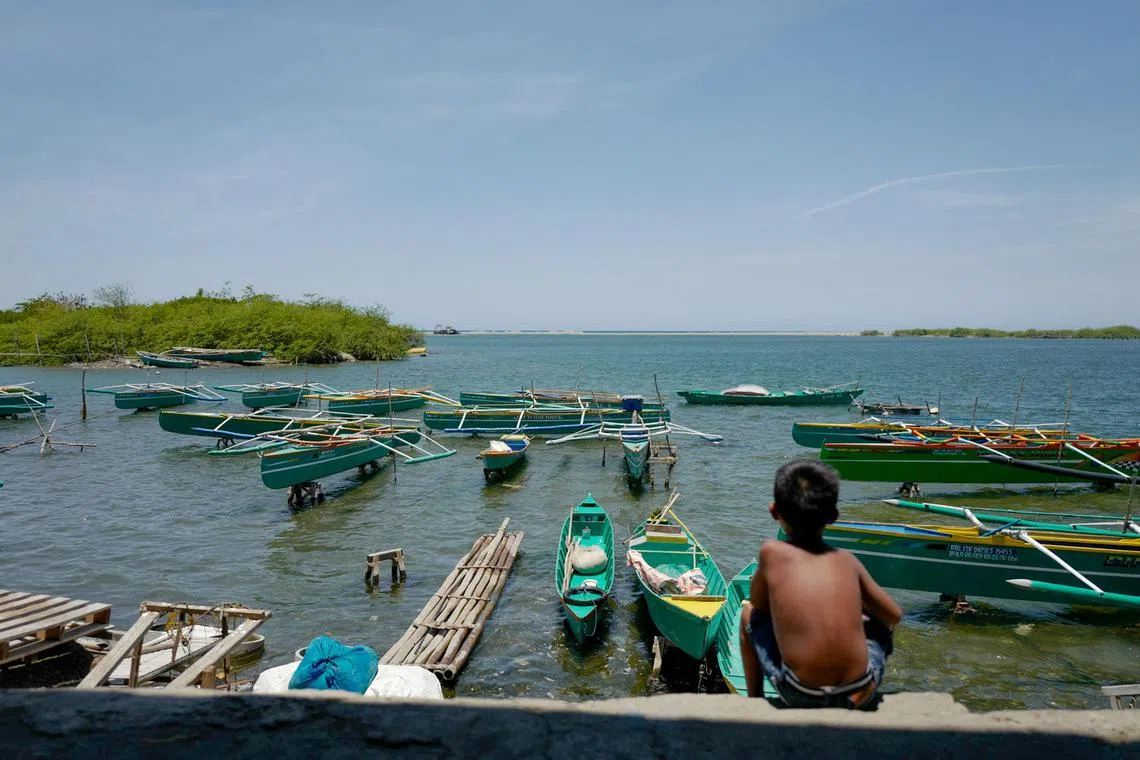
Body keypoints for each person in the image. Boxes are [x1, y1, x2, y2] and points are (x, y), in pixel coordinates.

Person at [740, 459, 902, 709]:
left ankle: (755, 702)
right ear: (834, 516)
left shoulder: (770, 553)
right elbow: (894, 615)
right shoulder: (847, 561)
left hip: (800, 694)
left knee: (747, 614)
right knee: (877, 621)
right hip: (856, 694)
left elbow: (759, 605)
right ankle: (865, 685)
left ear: (774, 511)